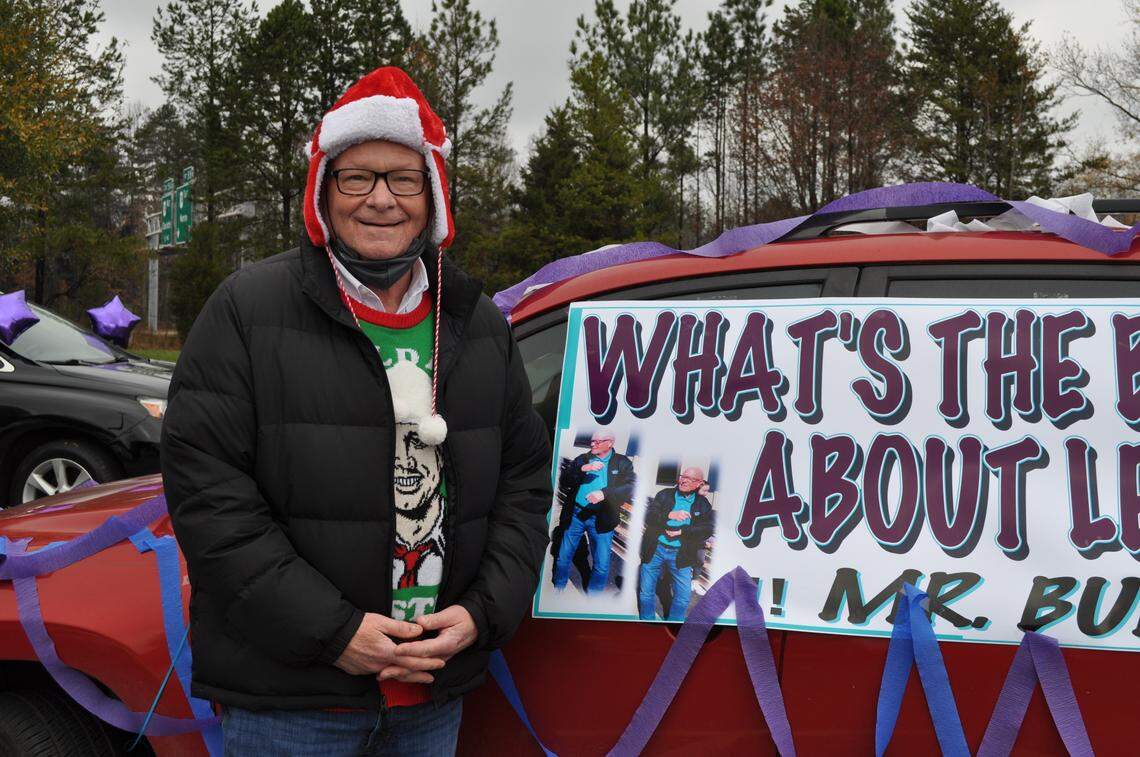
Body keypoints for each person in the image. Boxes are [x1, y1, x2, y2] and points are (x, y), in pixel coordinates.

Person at [160, 66, 551, 756]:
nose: (380, 200)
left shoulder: (477, 324)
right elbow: (209, 497)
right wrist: (335, 632)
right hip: (293, 701)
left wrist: (483, 614)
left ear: (432, 195)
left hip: (433, 698)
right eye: (356, 177)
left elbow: (524, 485)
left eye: (402, 178)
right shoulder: (248, 311)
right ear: (323, 190)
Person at [552, 430, 635, 593]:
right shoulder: (583, 459)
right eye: (591, 441)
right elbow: (565, 480)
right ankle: (559, 586)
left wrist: (604, 493)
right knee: (563, 557)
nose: (592, 444)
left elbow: (631, 486)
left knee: (602, 565)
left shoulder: (622, 462)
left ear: (610, 443)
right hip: (576, 514)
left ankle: (594, 595)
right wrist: (583, 468)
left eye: (597, 442)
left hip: (602, 519)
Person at [638, 467, 715, 621]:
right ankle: (647, 622)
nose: (684, 480)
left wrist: (682, 532)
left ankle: (674, 625)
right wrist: (669, 515)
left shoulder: (703, 504)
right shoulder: (664, 495)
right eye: (683, 476)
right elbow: (649, 516)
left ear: (699, 483)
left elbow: (707, 529)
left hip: (682, 554)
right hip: (656, 549)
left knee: (683, 597)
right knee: (646, 591)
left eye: (690, 479)